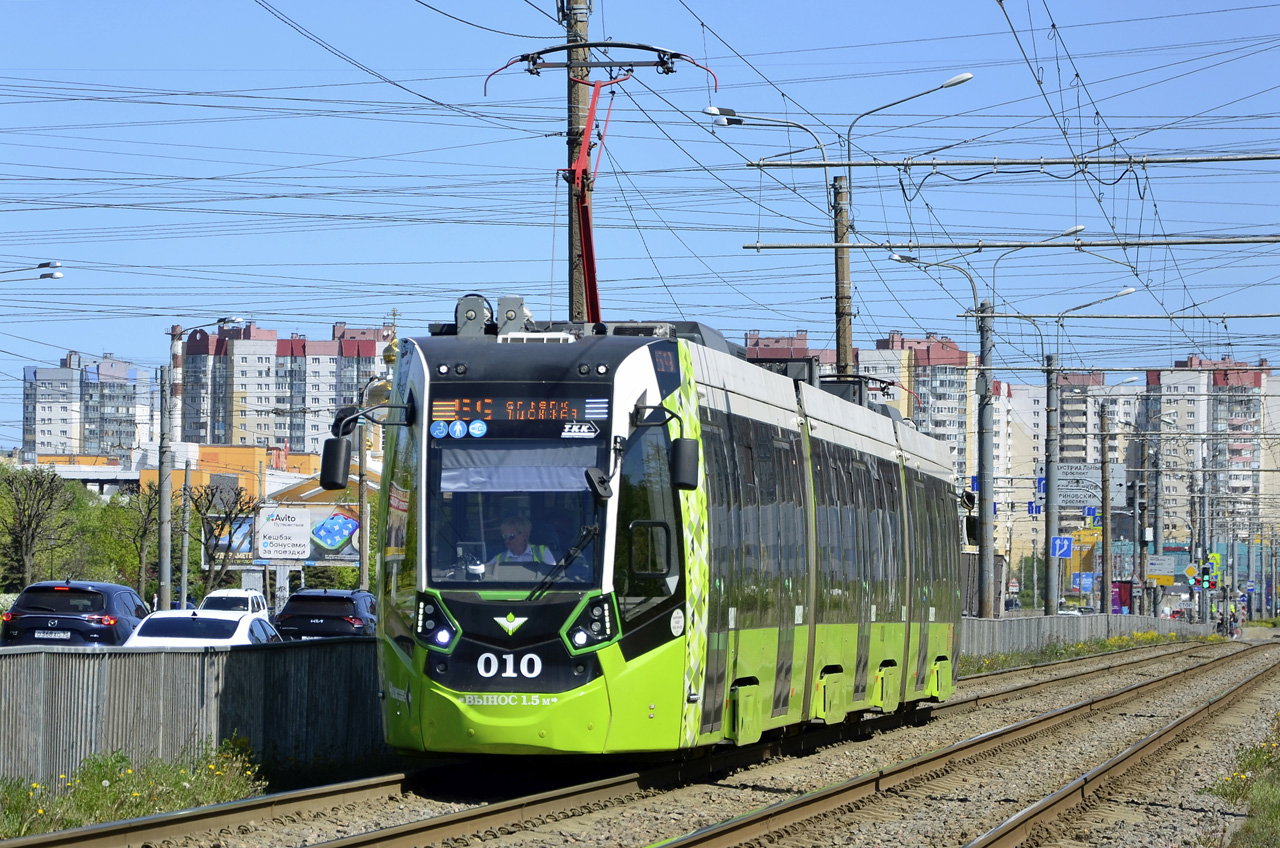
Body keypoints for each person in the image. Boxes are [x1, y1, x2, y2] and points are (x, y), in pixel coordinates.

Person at [487, 515, 556, 572]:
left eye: (511, 536)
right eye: (504, 537)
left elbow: (553, 575)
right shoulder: (499, 558)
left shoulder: (542, 552)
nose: (507, 540)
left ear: (524, 536)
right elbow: (486, 574)